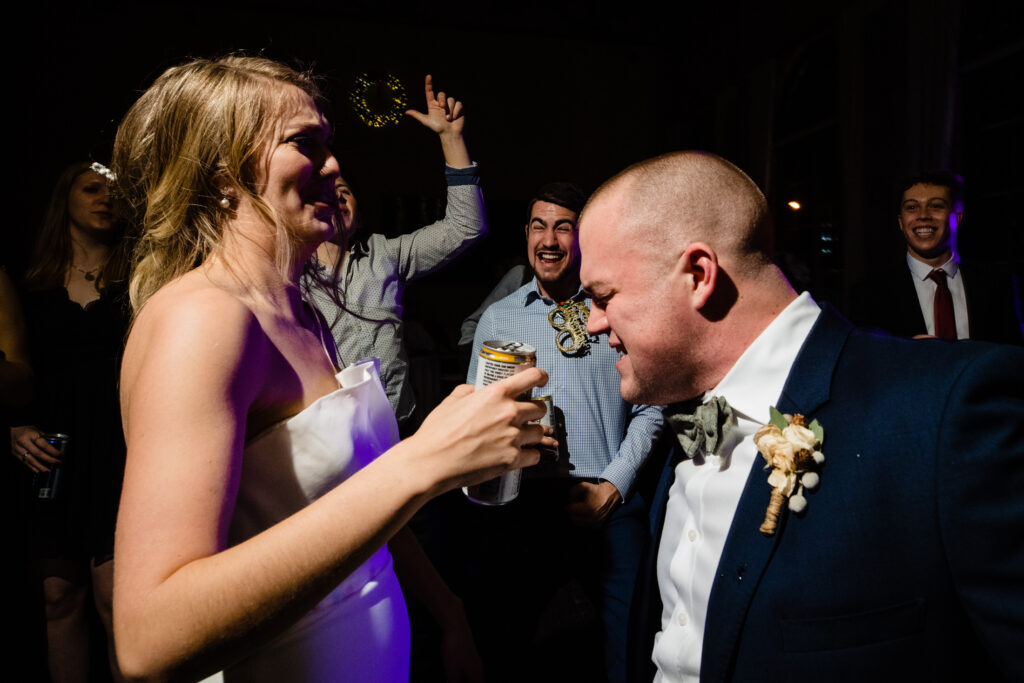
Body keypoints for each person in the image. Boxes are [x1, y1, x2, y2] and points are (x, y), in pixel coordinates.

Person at [110, 55, 551, 682]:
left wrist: (448, 613)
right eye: (303, 144)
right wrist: (423, 462)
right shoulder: (203, 318)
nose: (335, 165)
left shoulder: (301, 311)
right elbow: (149, 640)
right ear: (221, 175)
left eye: (330, 144)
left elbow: (348, 498)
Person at [578, 151, 1024, 682]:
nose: (591, 323)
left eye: (603, 296)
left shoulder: (944, 411)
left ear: (699, 274)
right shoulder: (683, 417)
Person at [465, 182, 664, 682]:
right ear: (526, 235)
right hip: (524, 506)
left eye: (563, 226)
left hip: (609, 501)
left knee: (626, 656)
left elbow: (652, 410)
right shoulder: (499, 318)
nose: (548, 239)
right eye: (538, 225)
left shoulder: (617, 313)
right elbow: (474, 420)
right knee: (526, 653)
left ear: (584, 238)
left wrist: (615, 486)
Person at [304, 75, 487, 435]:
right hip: (331, 436)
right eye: (327, 190)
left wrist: (451, 140)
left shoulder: (385, 254)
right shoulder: (289, 273)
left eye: (345, 190)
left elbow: (466, 227)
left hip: (400, 429)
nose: (338, 196)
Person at [9, 161, 130, 683]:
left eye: (115, 192)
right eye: (92, 188)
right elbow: (14, 370)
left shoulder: (140, 276)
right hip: (52, 451)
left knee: (115, 600)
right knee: (59, 597)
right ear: (66, 199)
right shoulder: (30, 286)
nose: (106, 199)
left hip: (121, 447)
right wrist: (12, 428)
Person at [849, 170, 1022, 344]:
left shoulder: (998, 285)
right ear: (901, 222)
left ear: (958, 217)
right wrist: (904, 353)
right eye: (912, 207)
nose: (923, 216)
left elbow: (1012, 360)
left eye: (936, 206)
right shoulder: (869, 294)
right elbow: (862, 363)